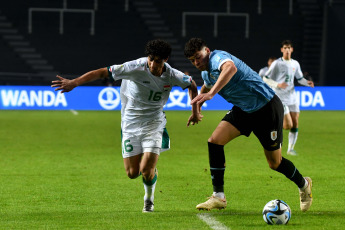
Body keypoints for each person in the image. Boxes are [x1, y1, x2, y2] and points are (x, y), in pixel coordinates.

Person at [51, 39, 201, 213]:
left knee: (146, 170)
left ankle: (148, 199)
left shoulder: (172, 75)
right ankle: (151, 171)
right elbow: (102, 73)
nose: (152, 64)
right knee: (132, 173)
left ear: (165, 60)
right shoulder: (134, 67)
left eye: (157, 60)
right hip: (130, 123)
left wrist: (195, 110)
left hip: (154, 123)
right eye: (150, 59)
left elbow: (192, 84)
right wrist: (75, 82)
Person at [184, 38, 312, 212]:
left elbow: (230, 68)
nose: (196, 62)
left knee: (275, 163)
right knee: (214, 141)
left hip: (266, 107)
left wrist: (212, 94)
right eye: (192, 60)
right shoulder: (207, 72)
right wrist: (196, 110)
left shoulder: (218, 57)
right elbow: (205, 88)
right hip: (244, 110)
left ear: (207, 50)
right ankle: (219, 197)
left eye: (198, 57)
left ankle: (304, 185)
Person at [264, 40, 314, 156]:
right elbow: (265, 78)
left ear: (292, 50)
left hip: (292, 97)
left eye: (289, 48)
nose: (287, 50)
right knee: (287, 125)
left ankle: (290, 149)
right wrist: (277, 84)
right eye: (285, 48)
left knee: (295, 123)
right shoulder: (277, 63)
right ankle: (271, 124)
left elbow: (300, 78)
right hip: (280, 97)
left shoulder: (295, 64)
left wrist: (307, 83)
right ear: (282, 50)